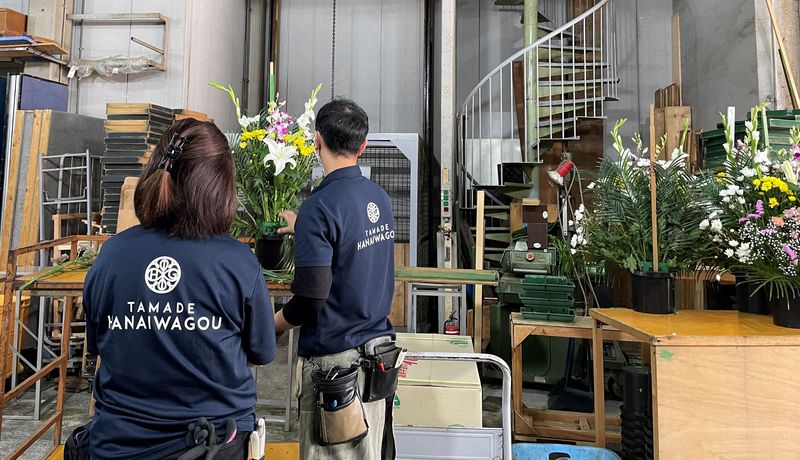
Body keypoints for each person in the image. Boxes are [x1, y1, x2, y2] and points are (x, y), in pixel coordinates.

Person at [83, 119, 277, 460]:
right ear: (220, 186)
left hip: (118, 446)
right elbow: (260, 352)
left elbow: (99, 344)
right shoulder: (238, 263)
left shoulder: (111, 256)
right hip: (214, 446)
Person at [274, 98, 397, 459]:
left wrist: (274, 323)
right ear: (364, 145)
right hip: (377, 358)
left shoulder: (320, 206)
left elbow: (311, 297)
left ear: (316, 140)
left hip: (336, 369)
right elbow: (349, 238)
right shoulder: (379, 197)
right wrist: (304, 227)